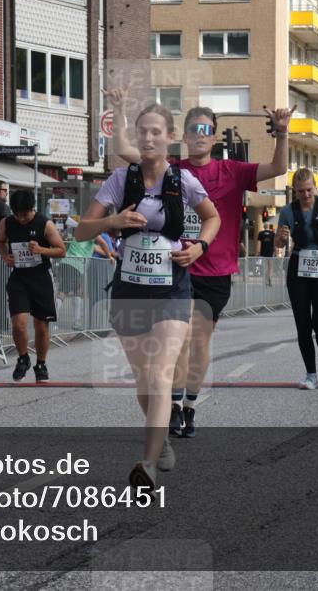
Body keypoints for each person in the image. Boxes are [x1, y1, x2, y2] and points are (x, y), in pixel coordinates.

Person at [109, 90, 293, 438]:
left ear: (214, 136)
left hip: (215, 270)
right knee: (179, 341)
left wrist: (281, 133)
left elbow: (278, 168)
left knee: (199, 342)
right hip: (176, 269)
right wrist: (119, 111)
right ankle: (175, 406)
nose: (200, 134)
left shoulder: (231, 171)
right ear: (184, 135)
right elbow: (125, 150)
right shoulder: (171, 170)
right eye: (193, 128)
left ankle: (189, 404)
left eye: (206, 129)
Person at [76, 102, 219, 491]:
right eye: (143, 132)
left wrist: (200, 247)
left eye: (157, 132)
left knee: (159, 375)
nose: (149, 138)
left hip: (172, 288)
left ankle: (148, 465)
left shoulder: (183, 180)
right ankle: (163, 440)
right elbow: (82, 231)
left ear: (170, 137)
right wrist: (113, 220)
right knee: (144, 382)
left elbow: (213, 217)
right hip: (129, 290)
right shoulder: (121, 179)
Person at [274, 168, 318, 390]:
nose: (305, 195)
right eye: (301, 191)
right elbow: (278, 242)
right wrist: (280, 237)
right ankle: (311, 375)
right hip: (299, 267)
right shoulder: (287, 211)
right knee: (303, 325)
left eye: (309, 190)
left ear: (315, 187)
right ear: (294, 190)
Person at [0, 190, 67, 382]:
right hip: (19, 277)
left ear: (32, 209)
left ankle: (41, 364)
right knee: (18, 323)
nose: (21, 219)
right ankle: (23, 358)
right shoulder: (6, 223)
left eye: (25, 215)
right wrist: (5, 256)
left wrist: (41, 249)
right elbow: (0, 241)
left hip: (41, 278)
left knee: (41, 326)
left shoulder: (45, 224)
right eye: (17, 215)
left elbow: (61, 250)